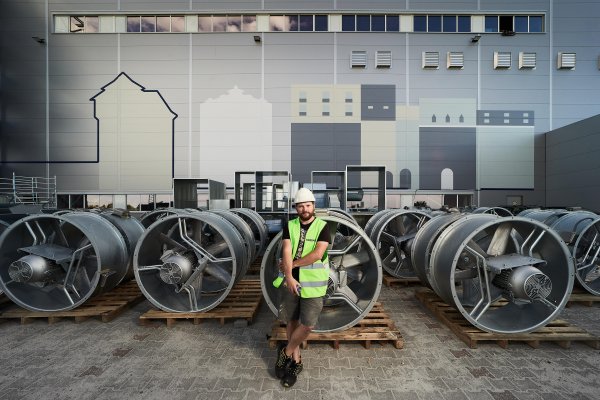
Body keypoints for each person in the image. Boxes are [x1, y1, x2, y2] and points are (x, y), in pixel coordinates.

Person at [272, 187, 330, 388]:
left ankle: (285, 351)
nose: (304, 209)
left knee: (307, 325)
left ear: (313, 206)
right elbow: (286, 250)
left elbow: (317, 254)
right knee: (291, 320)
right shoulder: (290, 225)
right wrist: (288, 276)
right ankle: (295, 362)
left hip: (313, 285)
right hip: (292, 282)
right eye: (300, 206)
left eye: (307, 205)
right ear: (296, 208)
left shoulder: (323, 226)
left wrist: (293, 265)